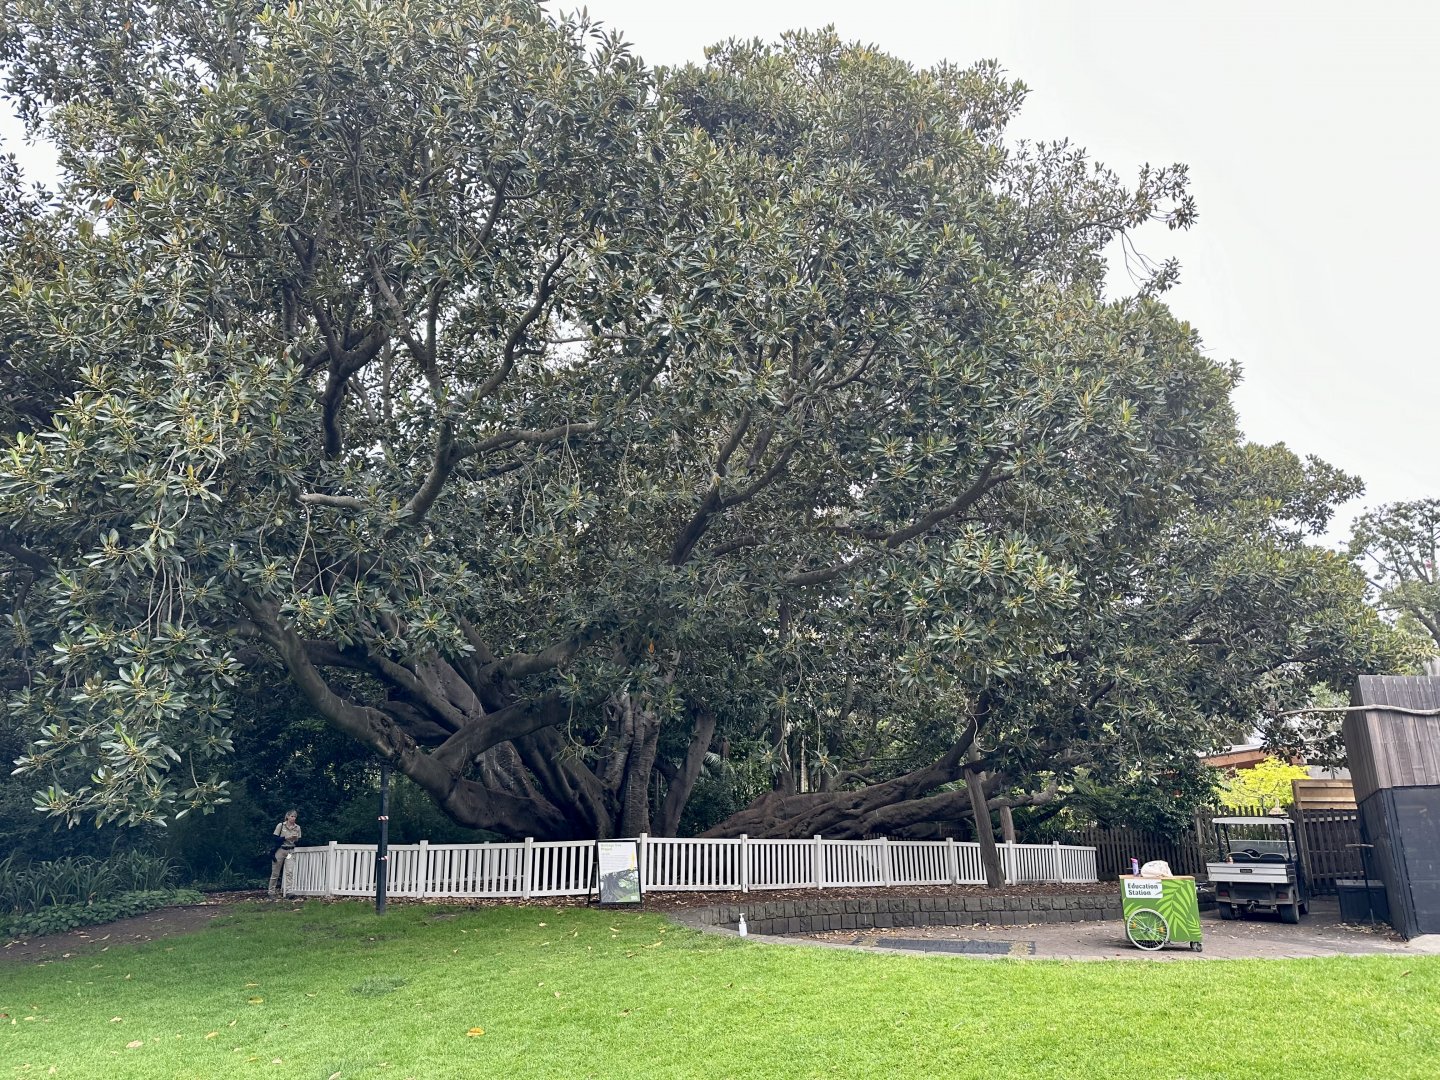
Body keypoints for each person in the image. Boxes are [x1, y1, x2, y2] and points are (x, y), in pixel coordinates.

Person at [267, 809, 302, 898]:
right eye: (292, 816)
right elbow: (275, 838)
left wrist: (295, 838)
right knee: (275, 872)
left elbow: (298, 840)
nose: (293, 818)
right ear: (287, 817)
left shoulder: (297, 827)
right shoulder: (281, 825)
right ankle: (271, 892)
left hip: (290, 851)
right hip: (280, 850)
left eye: (295, 817)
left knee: (289, 871)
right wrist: (286, 837)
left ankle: (289, 892)